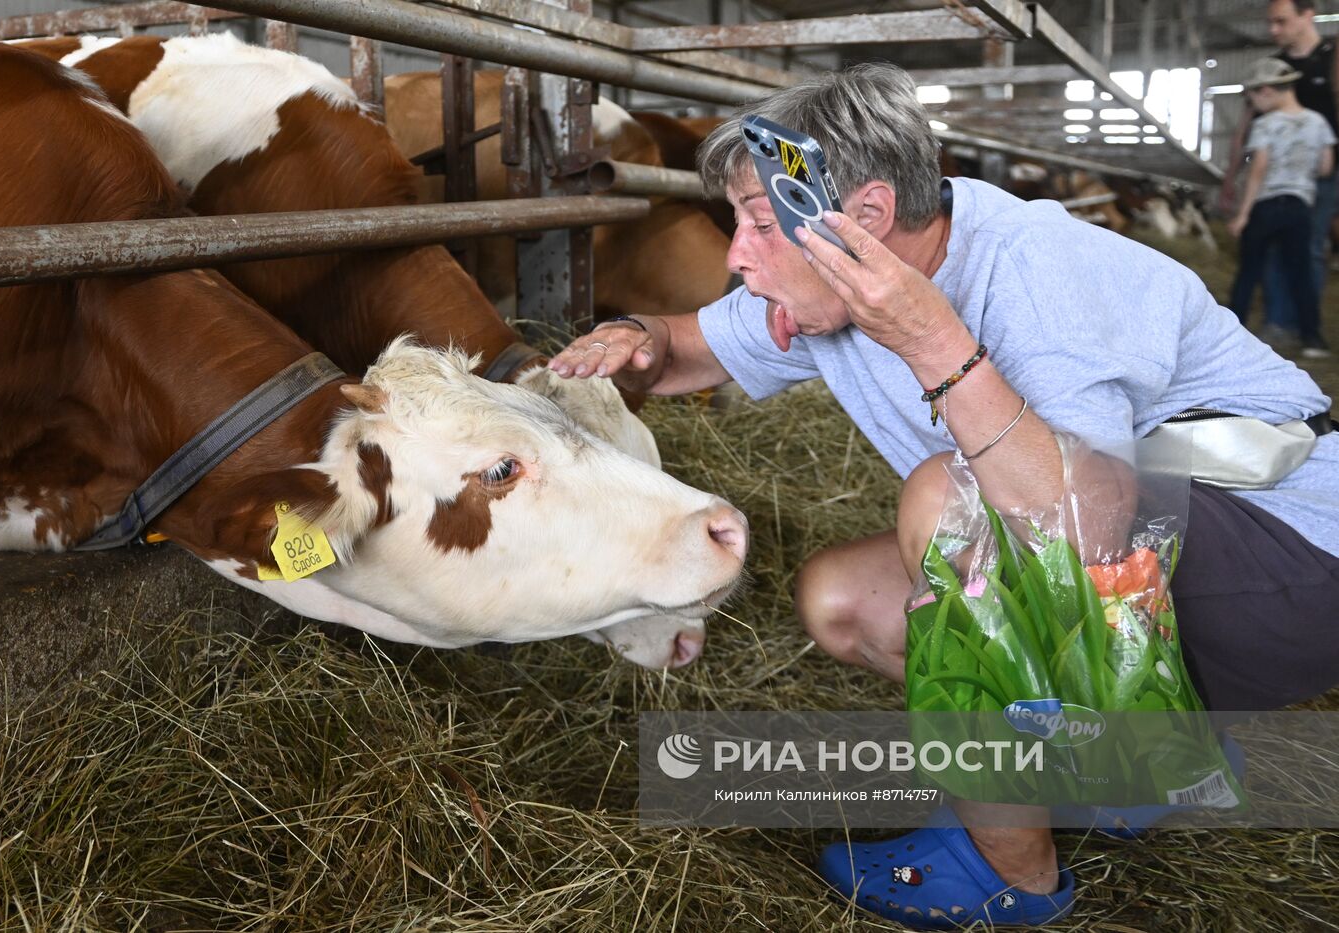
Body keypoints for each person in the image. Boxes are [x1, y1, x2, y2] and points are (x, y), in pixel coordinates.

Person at [549, 62, 1339, 929]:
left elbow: (1083, 526)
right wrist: (633, 337)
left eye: (762, 224)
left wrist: (930, 337)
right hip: (1142, 581)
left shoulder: (1040, 272)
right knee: (845, 599)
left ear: (870, 218)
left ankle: (1014, 878)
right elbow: (688, 345)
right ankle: (1145, 760)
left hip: (1290, 558)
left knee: (948, 501)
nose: (737, 255)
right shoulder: (836, 275)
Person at [1222, 0, 1339, 356]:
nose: (1274, 30)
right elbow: (1247, 127)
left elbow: (1259, 163)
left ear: (1308, 15)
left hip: (1292, 184)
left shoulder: (1332, 58)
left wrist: (1243, 208)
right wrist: (1232, 172)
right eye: (1270, 23)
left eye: (1281, 21)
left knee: (1304, 251)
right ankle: (1287, 326)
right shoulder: (1278, 65)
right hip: (1305, 178)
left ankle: (1254, 330)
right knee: (1291, 253)